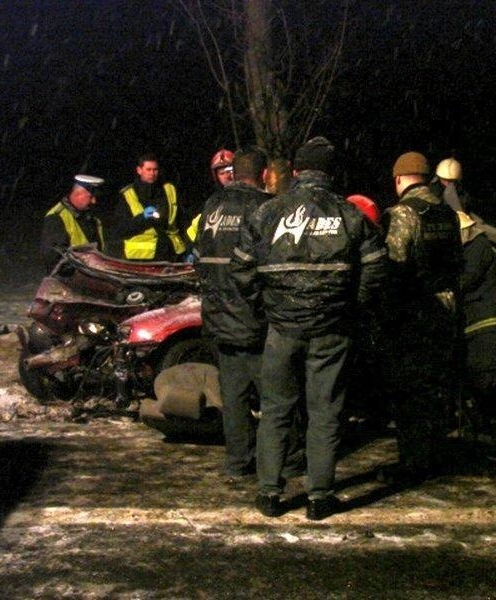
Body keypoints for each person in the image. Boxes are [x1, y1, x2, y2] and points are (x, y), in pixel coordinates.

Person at [230, 136, 387, 520]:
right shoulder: (350, 215)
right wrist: (349, 308)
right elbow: (376, 268)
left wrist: (266, 308)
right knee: (325, 412)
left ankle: (269, 493)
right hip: (331, 330)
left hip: (282, 330)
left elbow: (241, 268)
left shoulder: (268, 213)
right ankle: (319, 496)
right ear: (331, 173)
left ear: (296, 171)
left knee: (276, 410)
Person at [379, 151, 462, 486]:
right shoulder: (448, 214)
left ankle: (413, 463)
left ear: (399, 179)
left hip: (414, 311)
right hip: (447, 308)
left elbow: (393, 267)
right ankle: (436, 454)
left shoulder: (401, 214)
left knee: (409, 392)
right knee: (435, 387)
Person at [193, 146, 273, 481]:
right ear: (263, 174)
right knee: (275, 396)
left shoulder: (212, 206)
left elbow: (200, 258)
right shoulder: (264, 207)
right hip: (255, 319)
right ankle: (281, 460)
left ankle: (239, 462)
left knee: (234, 397)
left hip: (219, 317)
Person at [456, 211, 496, 436]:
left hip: (487, 321)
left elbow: (464, 280)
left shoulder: (477, 248)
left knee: (487, 376)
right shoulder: (476, 246)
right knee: (480, 376)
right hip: (481, 321)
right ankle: (488, 428)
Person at [430, 157, 496, 263]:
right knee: (488, 234)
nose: (448, 183)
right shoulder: (435, 190)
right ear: (439, 177)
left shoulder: (456, 187)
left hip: (464, 218)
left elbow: (465, 207)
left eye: (451, 181)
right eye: (445, 180)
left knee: (495, 233)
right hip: (452, 223)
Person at [110, 153, 189, 261]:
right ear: (139, 170)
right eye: (148, 169)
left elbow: (181, 222)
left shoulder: (169, 190)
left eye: (155, 169)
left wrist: (188, 249)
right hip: (141, 258)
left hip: (170, 253)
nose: (152, 173)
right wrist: (142, 218)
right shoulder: (128, 194)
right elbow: (120, 229)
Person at [40, 174, 105, 272]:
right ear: (78, 193)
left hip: (90, 276)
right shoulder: (57, 217)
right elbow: (53, 258)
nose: (94, 201)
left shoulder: (91, 217)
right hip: (69, 280)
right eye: (91, 197)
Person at [186, 148, 237, 245]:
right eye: (222, 173)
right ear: (216, 176)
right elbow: (196, 229)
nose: (227, 176)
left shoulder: (248, 197)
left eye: (229, 171)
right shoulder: (213, 201)